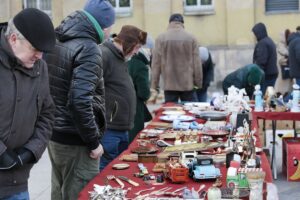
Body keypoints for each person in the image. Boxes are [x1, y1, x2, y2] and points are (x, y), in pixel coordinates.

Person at [43, 0, 115, 199]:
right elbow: (79, 101)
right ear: (105, 26)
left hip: (55, 134)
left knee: (59, 191)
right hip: (76, 139)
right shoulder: (89, 48)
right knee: (80, 193)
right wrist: (93, 142)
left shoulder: (58, 38)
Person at [0, 8, 55, 199]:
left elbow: (47, 114)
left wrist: (31, 151)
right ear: (14, 39)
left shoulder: (41, 68)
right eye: (35, 48)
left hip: (17, 182)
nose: (39, 56)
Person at [99, 25, 147, 170]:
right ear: (128, 44)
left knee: (120, 168)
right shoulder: (105, 55)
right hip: (110, 128)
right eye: (137, 47)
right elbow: (94, 91)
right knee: (106, 169)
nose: (137, 52)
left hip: (122, 128)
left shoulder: (121, 57)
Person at [151, 13, 202, 103]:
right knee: (191, 112)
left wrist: (154, 86)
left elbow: (156, 64)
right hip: (188, 85)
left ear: (170, 23)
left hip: (169, 85)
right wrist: (198, 83)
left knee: (169, 113)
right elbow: (197, 64)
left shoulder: (160, 38)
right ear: (182, 23)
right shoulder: (191, 38)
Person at [128, 36, 153, 144]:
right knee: (133, 142)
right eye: (151, 49)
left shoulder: (127, 60)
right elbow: (144, 94)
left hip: (122, 107)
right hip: (135, 109)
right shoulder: (140, 65)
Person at [252, 22, 278, 95]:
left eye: (255, 34)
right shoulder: (269, 40)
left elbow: (261, 61)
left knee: (262, 97)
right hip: (271, 73)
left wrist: (256, 75)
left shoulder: (262, 43)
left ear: (259, 33)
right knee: (269, 96)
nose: (254, 36)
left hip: (266, 75)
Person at [275, 29, 293, 99]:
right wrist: (288, 58)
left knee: (288, 90)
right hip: (282, 73)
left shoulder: (287, 46)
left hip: (287, 72)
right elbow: (280, 60)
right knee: (281, 91)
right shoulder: (280, 46)